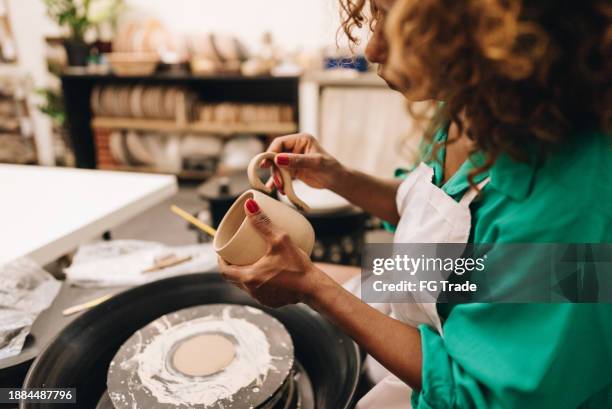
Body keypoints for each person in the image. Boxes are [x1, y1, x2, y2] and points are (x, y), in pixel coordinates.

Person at [220, 0, 612, 407]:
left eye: (394, 20)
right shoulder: (478, 107)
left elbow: (477, 393)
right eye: (375, 16)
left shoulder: (578, 205)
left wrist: (313, 287)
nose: (371, 49)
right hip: (431, 304)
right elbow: (440, 212)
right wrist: (337, 177)